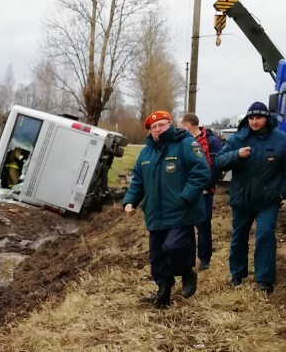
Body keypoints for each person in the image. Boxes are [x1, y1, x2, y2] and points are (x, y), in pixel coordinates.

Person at [122, 110, 209, 308]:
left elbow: (201, 173)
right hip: (155, 212)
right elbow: (137, 180)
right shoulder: (146, 152)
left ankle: (187, 272)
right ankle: (163, 293)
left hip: (180, 211)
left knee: (173, 247)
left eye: (161, 125)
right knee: (157, 257)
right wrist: (130, 201)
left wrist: (185, 197)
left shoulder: (185, 144)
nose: (157, 129)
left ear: (170, 124)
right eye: (153, 127)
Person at [215, 102, 286, 294]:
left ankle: (264, 280)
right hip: (241, 198)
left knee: (264, 235)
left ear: (267, 118)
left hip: (268, 199)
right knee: (239, 237)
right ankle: (237, 275)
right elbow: (219, 161)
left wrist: (281, 193)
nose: (255, 122)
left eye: (259, 117)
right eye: (251, 118)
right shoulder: (238, 139)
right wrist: (236, 155)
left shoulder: (280, 139)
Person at [177, 113, 222, 271]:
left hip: (204, 192)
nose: (178, 129)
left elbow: (216, 167)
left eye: (180, 126)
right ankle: (187, 260)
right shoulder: (181, 142)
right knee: (185, 225)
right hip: (185, 190)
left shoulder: (212, 142)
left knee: (203, 225)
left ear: (188, 126)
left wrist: (206, 186)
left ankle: (204, 260)